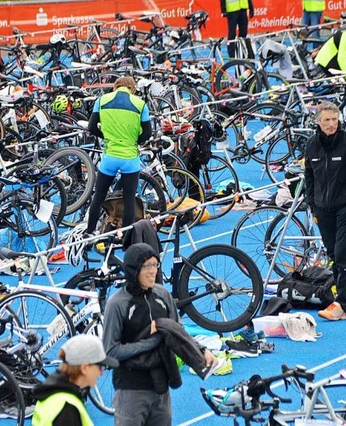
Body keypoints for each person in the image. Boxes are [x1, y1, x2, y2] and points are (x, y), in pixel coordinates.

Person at [102, 243, 220, 426]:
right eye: (147, 266)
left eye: (155, 265)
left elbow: (178, 332)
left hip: (161, 386)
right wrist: (152, 342)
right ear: (134, 270)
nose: (153, 271)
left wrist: (202, 350)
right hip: (131, 389)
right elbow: (110, 352)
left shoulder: (162, 294)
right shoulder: (117, 304)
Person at [304, 102, 346, 321]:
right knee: (334, 254)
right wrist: (312, 204)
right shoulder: (312, 145)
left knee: (342, 253)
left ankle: (341, 304)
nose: (331, 124)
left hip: (345, 208)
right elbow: (309, 177)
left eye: (334, 119)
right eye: (327, 120)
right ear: (318, 122)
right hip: (322, 209)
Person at [86, 76, 151, 236]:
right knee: (129, 199)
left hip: (110, 156)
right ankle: (126, 238)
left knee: (99, 195)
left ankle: (89, 233)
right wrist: (134, 142)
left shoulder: (102, 101)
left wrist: (106, 137)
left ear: (115, 87)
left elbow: (91, 127)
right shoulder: (140, 104)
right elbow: (148, 133)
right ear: (132, 88)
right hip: (130, 157)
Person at [32, 334, 119, 426]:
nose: (102, 373)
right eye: (100, 367)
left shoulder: (52, 394)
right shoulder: (67, 409)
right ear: (85, 368)